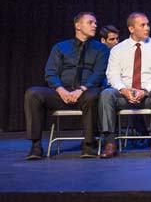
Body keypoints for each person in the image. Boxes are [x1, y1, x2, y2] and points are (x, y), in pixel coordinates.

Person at [24, 12, 109, 159]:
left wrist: (82, 89)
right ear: (78, 25)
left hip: (86, 93)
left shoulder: (101, 49)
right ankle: (36, 146)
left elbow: (99, 73)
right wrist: (60, 89)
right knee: (33, 93)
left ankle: (89, 145)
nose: (95, 25)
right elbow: (50, 72)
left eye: (95, 23)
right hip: (62, 93)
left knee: (93, 95)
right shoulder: (61, 47)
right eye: (90, 22)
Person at [100, 12, 151, 158]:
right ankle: (110, 143)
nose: (147, 28)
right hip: (124, 95)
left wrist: (144, 91)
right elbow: (112, 74)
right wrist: (124, 90)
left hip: (148, 94)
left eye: (148, 25)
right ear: (131, 29)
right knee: (106, 94)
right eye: (142, 25)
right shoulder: (118, 49)